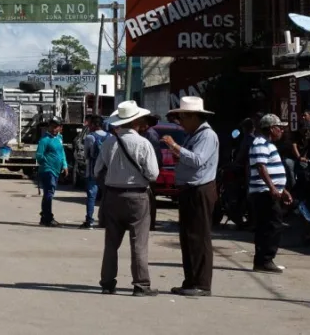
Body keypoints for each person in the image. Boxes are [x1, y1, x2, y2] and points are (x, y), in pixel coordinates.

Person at [94, 101, 160, 297]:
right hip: (137, 197)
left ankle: (107, 283)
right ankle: (141, 285)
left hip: (113, 196)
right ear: (136, 121)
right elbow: (153, 174)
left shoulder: (108, 142)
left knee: (111, 244)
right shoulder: (143, 143)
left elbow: (97, 170)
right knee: (138, 243)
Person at [160, 96, 220, 297]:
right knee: (188, 237)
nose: (180, 123)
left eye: (182, 118)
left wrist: (174, 146)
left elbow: (197, 160)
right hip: (189, 190)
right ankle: (191, 280)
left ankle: (201, 284)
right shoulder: (193, 135)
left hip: (199, 189)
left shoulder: (207, 136)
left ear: (194, 116)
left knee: (198, 237)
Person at [247, 114, 292, 274]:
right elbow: (261, 167)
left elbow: (272, 171)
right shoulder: (260, 143)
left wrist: (283, 190)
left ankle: (263, 260)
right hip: (263, 192)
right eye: (280, 127)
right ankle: (265, 260)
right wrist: (273, 188)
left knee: (267, 226)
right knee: (273, 225)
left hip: (269, 191)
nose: (282, 130)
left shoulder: (269, 145)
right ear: (271, 128)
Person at [35, 118, 67, 227]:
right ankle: (48, 218)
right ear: (49, 127)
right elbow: (39, 156)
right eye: (52, 126)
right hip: (48, 170)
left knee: (49, 194)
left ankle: (45, 217)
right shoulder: (44, 140)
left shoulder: (59, 138)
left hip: (57, 170)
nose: (54, 128)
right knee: (49, 193)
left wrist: (65, 165)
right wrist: (47, 162)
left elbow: (62, 153)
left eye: (56, 126)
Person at [80, 114, 107, 229]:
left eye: (90, 124)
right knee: (107, 196)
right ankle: (105, 220)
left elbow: (86, 154)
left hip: (92, 170)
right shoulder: (110, 136)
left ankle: (89, 221)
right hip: (106, 172)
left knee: (91, 196)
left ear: (95, 125)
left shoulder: (90, 137)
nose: (88, 126)